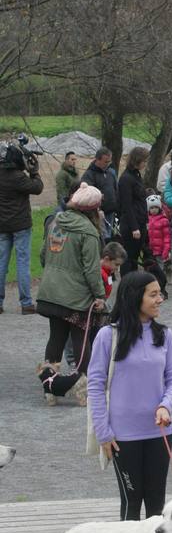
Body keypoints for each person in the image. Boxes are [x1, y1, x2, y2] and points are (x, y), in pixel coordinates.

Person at [87, 271, 172, 533]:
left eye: (160, 294)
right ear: (135, 298)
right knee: (132, 503)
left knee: (156, 505)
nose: (160, 300)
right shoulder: (107, 336)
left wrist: (166, 405)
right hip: (122, 437)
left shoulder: (164, 335)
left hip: (159, 433)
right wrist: (103, 431)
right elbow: (96, 386)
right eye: (154, 294)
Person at [36, 182, 106, 404]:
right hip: (76, 296)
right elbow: (91, 269)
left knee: (55, 338)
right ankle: (83, 389)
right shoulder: (89, 232)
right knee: (80, 339)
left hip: (50, 291)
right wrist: (100, 295)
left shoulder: (55, 221)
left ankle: (49, 388)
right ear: (94, 209)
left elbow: (43, 255)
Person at [0, 138, 43, 314]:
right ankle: (26, 303)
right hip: (21, 225)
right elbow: (38, 187)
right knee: (22, 263)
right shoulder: (18, 177)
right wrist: (34, 172)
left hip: (2, 225)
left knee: (1, 263)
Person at [118, 146, 150, 274]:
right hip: (131, 224)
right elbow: (127, 205)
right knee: (129, 258)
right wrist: (134, 227)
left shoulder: (136, 176)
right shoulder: (126, 179)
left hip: (140, 221)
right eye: (144, 161)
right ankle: (127, 283)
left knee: (135, 257)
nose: (145, 163)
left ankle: (134, 284)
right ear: (137, 160)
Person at [82, 147, 119, 238]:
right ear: (97, 160)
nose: (108, 164)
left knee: (109, 236)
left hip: (111, 212)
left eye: (109, 161)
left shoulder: (111, 172)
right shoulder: (89, 175)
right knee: (102, 238)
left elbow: (116, 189)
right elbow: (87, 195)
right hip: (98, 214)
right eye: (106, 161)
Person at [146, 194, 171, 275]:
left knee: (160, 267)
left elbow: (167, 236)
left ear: (159, 208)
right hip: (151, 250)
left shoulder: (164, 220)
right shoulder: (147, 220)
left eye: (156, 207)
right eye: (151, 208)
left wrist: (166, 249)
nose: (154, 210)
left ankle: (161, 279)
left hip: (160, 250)